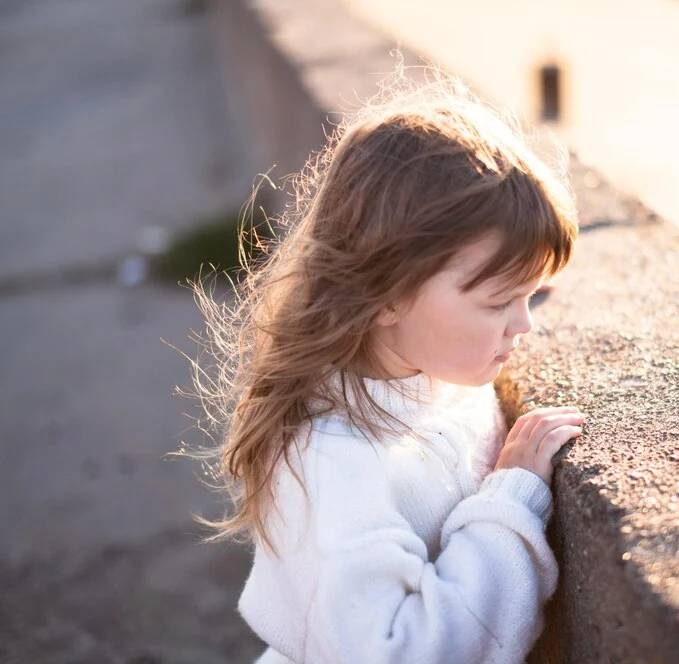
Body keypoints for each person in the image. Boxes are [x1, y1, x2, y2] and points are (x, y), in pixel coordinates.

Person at [189, 69, 585, 663]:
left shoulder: (437, 371)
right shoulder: (336, 460)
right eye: (498, 301)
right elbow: (401, 651)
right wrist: (512, 500)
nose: (523, 325)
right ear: (386, 294)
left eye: (534, 295)